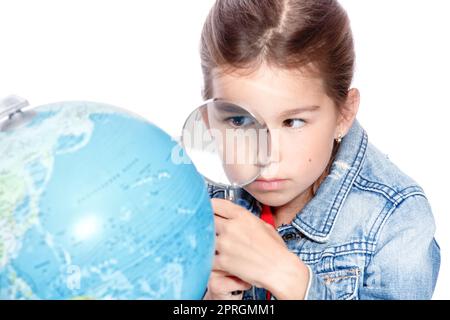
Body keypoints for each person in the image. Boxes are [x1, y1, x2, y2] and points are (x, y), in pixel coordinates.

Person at [200, 0, 440, 300]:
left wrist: (291, 281)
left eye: (293, 122)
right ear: (208, 119)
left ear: (343, 114)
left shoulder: (396, 218)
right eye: (239, 120)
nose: (267, 158)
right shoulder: (192, 198)